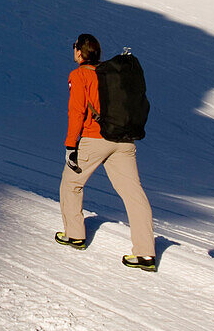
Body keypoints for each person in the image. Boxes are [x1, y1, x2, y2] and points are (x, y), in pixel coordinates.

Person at [56, 33, 157, 271]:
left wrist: (71, 145)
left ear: (80, 52)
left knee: (71, 183)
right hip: (124, 140)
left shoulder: (80, 75)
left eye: (75, 48)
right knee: (133, 194)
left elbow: (77, 111)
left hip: (94, 139)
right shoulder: (111, 73)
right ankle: (145, 253)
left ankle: (74, 235)